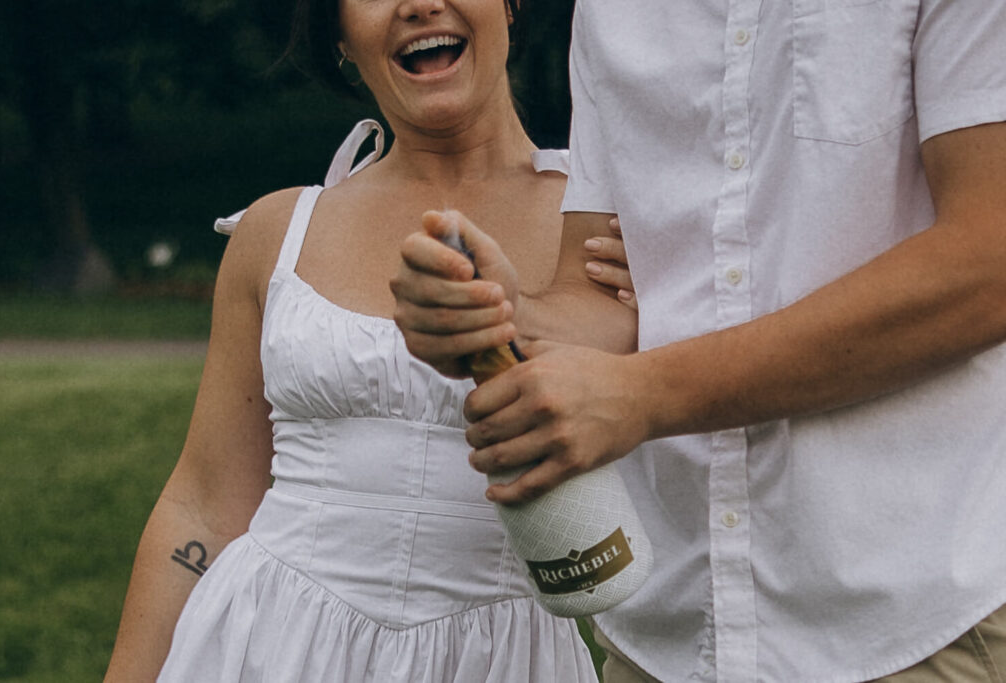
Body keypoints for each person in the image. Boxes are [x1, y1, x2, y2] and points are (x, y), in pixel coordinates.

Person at [390, 0, 1006, 680]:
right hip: (670, 634)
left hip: (913, 618)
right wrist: (507, 318)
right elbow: (600, 287)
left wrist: (645, 395)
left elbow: (989, 262)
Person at [103, 0, 637, 680]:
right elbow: (203, 502)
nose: (418, 4)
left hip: (499, 658)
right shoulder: (278, 232)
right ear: (339, 38)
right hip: (267, 647)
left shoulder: (607, 229)